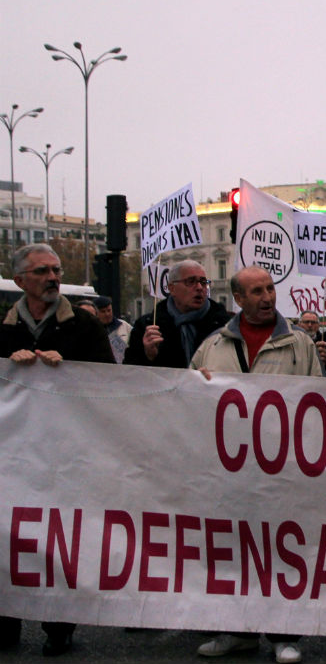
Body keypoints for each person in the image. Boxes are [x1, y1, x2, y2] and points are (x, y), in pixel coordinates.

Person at [189, 266, 321, 664]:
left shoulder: (299, 343)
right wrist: (198, 385)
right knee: (231, 551)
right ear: (239, 299)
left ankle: (285, 635)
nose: (267, 297)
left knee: (282, 552)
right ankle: (235, 632)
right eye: (256, 291)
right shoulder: (212, 345)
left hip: (281, 468)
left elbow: (317, 401)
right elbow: (186, 401)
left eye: (270, 289)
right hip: (228, 470)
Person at [0, 244, 114, 657]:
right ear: (20, 282)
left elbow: (108, 382)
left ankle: (59, 624)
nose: (52, 277)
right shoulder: (4, 328)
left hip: (66, 452)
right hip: (14, 454)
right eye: (42, 271)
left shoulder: (83, 327)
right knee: (9, 535)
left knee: (58, 540)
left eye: (57, 270)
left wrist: (67, 368)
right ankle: (6, 618)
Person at [124, 260, 231, 369]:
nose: (199, 287)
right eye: (191, 281)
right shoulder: (148, 327)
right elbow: (130, 375)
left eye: (203, 282)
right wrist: (149, 356)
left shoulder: (225, 325)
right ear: (172, 288)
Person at [90, 296, 132, 363]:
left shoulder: (124, 326)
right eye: (103, 312)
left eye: (109, 310)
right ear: (96, 312)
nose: (107, 314)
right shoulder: (92, 329)